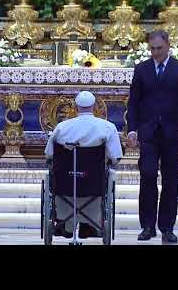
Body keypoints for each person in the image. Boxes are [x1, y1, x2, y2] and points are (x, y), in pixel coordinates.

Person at [126, 30, 178, 244]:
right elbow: (134, 102)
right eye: (152, 49)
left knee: (170, 180)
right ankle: (147, 225)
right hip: (148, 132)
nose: (155, 53)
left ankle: (167, 227)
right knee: (147, 175)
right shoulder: (142, 69)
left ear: (167, 46)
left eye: (159, 48)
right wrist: (132, 129)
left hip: (172, 133)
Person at [45, 90, 123, 238]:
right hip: (94, 185)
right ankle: (91, 224)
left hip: (65, 185)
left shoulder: (62, 127)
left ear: (76, 106)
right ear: (94, 106)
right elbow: (115, 157)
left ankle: (66, 224)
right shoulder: (107, 127)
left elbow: (49, 154)